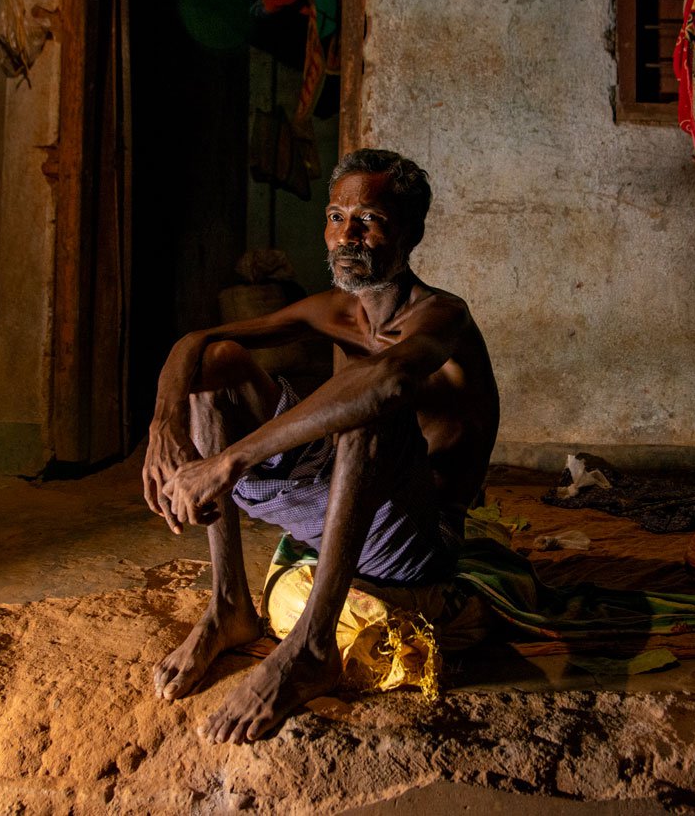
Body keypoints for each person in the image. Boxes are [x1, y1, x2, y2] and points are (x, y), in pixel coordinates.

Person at [142, 148, 500, 743]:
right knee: (219, 368)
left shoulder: (443, 316)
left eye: (370, 220)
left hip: (414, 538)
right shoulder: (334, 310)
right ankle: (228, 605)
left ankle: (311, 647)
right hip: (342, 501)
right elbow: (199, 340)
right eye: (336, 216)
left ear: (410, 233)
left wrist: (230, 462)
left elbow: (388, 384)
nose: (346, 235)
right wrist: (165, 422)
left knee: (373, 408)